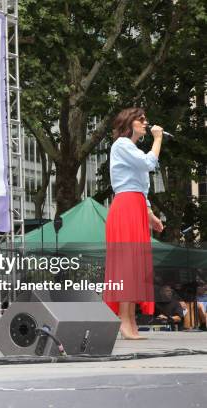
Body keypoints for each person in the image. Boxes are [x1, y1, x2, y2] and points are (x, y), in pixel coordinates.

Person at [103, 108, 164, 340]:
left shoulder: (131, 149)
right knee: (127, 266)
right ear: (130, 123)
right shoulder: (121, 145)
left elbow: (142, 187)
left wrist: (150, 214)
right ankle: (124, 321)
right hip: (126, 206)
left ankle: (130, 320)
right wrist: (158, 139)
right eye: (142, 120)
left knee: (136, 266)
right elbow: (149, 163)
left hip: (136, 206)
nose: (146, 123)